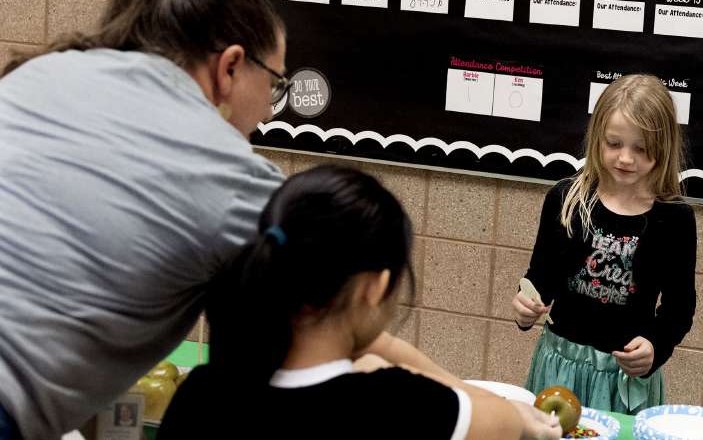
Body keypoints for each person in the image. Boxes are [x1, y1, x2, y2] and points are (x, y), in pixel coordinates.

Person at [0, 0, 450, 440]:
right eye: (274, 83)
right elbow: (334, 320)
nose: (270, 112)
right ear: (231, 66)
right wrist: (459, 394)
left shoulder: (46, 72)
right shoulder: (230, 176)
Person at [159, 165, 561, 439]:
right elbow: (506, 420)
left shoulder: (202, 394)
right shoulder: (396, 405)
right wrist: (379, 355)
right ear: (375, 287)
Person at [512, 74, 696, 414]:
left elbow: (679, 309)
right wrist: (525, 307)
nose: (625, 158)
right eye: (614, 144)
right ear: (597, 137)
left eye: (641, 148)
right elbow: (540, 278)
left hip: (622, 380)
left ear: (664, 147)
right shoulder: (565, 199)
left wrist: (656, 346)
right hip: (559, 368)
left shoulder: (674, 219)